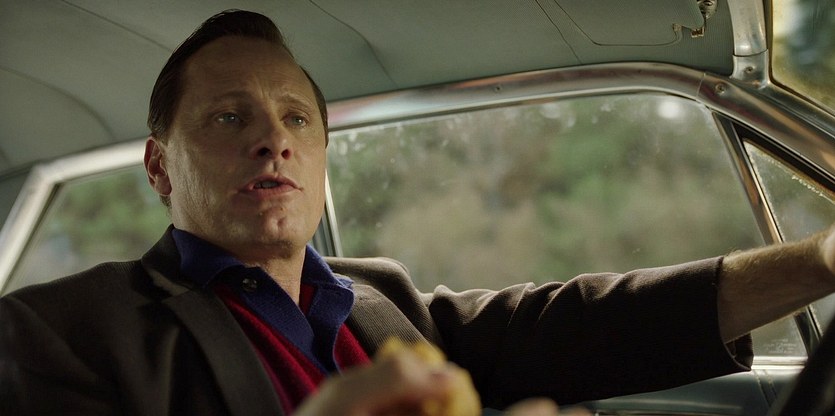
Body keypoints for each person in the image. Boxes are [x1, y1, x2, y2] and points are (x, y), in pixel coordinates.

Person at [1, 9, 834, 416]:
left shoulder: (378, 298)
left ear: (320, 157)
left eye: (296, 119)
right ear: (159, 167)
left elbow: (574, 324)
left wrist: (818, 261)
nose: (272, 141)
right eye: (228, 117)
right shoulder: (53, 333)